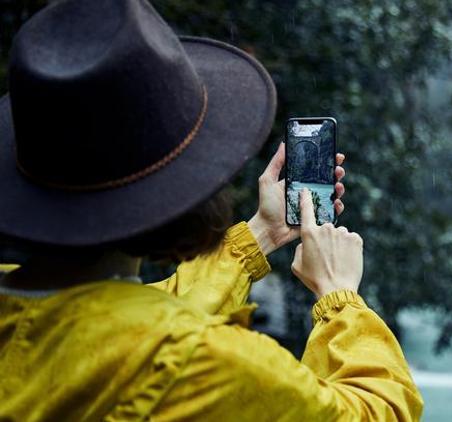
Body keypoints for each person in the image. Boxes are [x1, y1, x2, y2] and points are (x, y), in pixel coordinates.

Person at [0, 0, 423, 420]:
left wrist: (263, 233)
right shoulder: (205, 361)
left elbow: (135, 316)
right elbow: (374, 413)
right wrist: (338, 295)